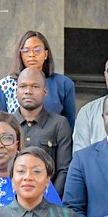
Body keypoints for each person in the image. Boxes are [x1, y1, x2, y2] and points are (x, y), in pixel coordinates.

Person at [0, 31, 78, 130]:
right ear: (20, 54)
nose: (32, 54)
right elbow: (0, 123)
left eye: (37, 50)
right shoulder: (6, 85)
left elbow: (69, 125)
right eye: (26, 51)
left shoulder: (63, 84)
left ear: (46, 54)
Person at [13, 67, 73, 196]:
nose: (28, 91)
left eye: (35, 86)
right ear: (16, 91)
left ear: (45, 91)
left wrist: (49, 199)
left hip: (48, 200)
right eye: (23, 86)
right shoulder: (6, 124)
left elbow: (64, 170)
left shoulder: (59, 124)